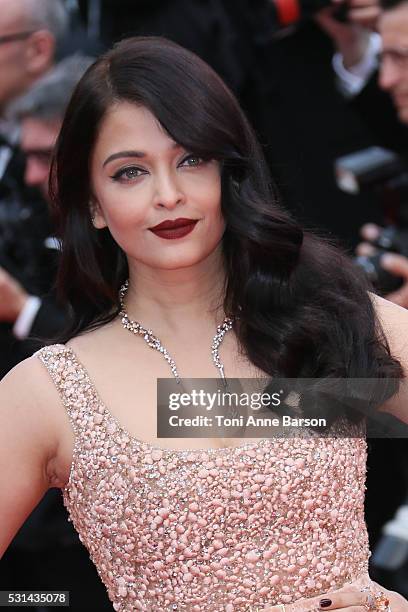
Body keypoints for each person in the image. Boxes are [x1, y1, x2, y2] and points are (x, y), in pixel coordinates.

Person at [1, 36, 408, 611]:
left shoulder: (328, 316)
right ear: (91, 202)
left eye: (191, 160)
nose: (168, 195)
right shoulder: (48, 394)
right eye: (129, 173)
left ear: (228, 172)